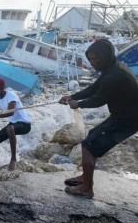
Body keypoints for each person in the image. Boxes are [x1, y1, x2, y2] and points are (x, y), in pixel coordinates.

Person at [59, 39, 138, 199]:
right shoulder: (113, 68)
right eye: (91, 59)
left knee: (89, 144)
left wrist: (77, 103)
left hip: (129, 118)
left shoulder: (114, 75)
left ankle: (87, 188)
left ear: (105, 56)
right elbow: (94, 88)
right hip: (125, 114)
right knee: (91, 137)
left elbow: (98, 100)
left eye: (95, 59)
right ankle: (85, 177)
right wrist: (72, 96)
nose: (92, 62)